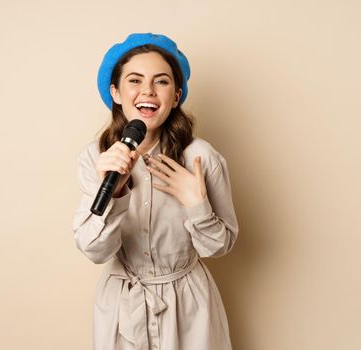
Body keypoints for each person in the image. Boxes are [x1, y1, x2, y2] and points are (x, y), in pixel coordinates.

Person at [73, 33, 239, 350]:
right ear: (115, 92)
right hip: (122, 307)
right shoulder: (95, 158)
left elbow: (220, 246)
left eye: (161, 82)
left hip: (189, 306)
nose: (147, 90)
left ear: (176, 96)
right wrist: (116, 193)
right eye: (134, 80)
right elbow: (94, 250)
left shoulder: (200, 157)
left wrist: (197, 205)